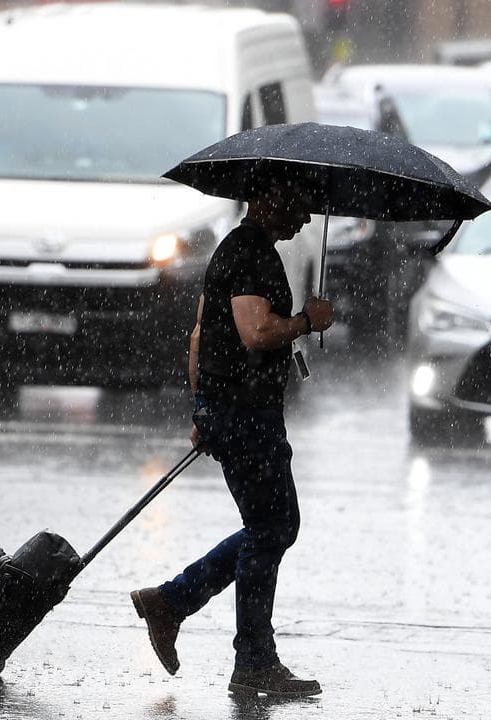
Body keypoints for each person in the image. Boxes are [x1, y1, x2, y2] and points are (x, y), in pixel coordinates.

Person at [130, 181, 335, 698]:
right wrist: (307, 321)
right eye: (298, 203)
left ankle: (172, 604)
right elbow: (254, 333)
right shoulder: (247, 253)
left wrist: (204, 408)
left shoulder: (242, 250)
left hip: (237, 413)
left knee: (270, 526)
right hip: (247, 417)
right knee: (273, 528)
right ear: (268, 198)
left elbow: (200, 335)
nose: (306, 218)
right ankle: (252, 660)